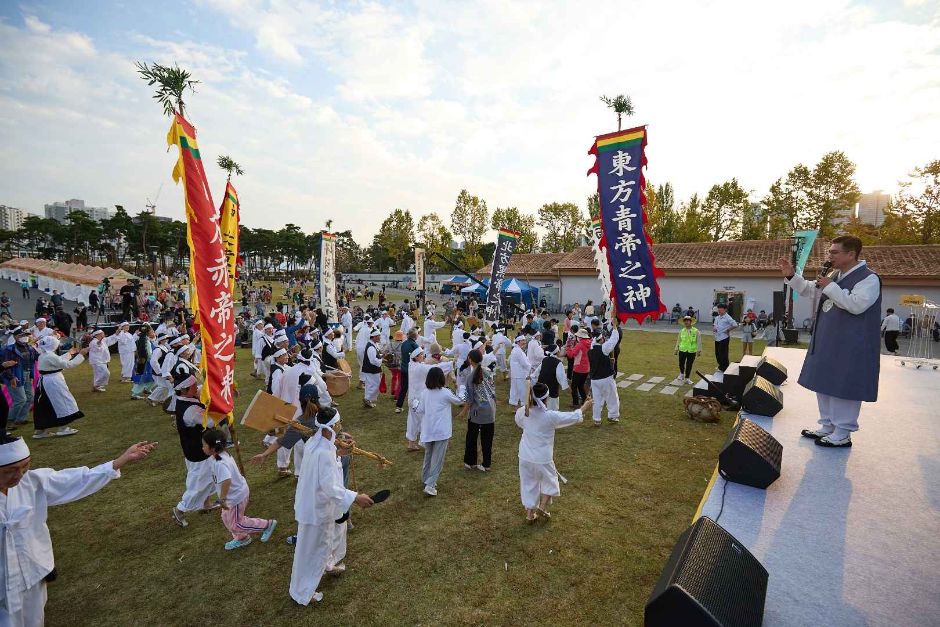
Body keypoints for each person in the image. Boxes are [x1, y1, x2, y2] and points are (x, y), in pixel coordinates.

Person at [0, 436, 156, 626]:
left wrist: (119, 461)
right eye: (9, 471)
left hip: (32, 573)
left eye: (25, 466)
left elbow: (75, 479)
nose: (19, 475)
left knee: (34, 620)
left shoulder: (32, 482)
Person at [778, 235, 882, 448]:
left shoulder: (869, 278)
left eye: (834, 252)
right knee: (825, 381)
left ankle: (843, 432)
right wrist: (791, 276)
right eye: (830, 252)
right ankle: (827, 426)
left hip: (852, 343)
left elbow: (856, 305)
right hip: (829, 338)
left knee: (844, 384)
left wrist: (829, 286)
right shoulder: (835, 275)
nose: (829, 256)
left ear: (851, 254)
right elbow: (809, 290)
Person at [289, 406, 373, 606]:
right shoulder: (322, 452)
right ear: (333, 426)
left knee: (324, 542)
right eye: (339, 422)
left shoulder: (316, 442)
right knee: (311, 551)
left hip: (314, 504)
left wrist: (341, 452)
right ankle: (303, 592)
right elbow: (330, 487)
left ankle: (327, 564)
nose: (341, 424)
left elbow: (328, 460)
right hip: (317, 509)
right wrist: (355, 497)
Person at [515, 384, 591, 521]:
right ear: (546, 398)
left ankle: (530, 514)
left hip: (525, 455)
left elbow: (520, 423)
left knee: (528, 484)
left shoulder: (522, 411)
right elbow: (572, 417)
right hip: (542, 457)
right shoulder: (549, 416)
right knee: (551, 481)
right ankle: (542, 507)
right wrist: (584, 407)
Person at [201, 428, 277, 550]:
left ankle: (266, 525)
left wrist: (222, 499)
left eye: (204, 445)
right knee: (226, 518)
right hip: (232, 495)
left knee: (236, 523)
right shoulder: (219, 455)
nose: (202, 447)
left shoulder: (220, 462)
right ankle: (242, 538)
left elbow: (227, 480)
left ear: (213, 448)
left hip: (236, 496)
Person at [171, 374, 220, 527]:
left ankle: (206, 504)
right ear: (185, 390)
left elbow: (202, 390)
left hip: (197, 448)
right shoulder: (190, 410)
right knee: (199, 483)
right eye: (193, 386)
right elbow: (210, 422)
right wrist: (224, 410)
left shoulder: (184, 399)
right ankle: (179, 510)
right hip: (197, 451)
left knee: (211, 475)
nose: (197, 387)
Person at [416, 366, 464, 496]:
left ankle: (426, 479)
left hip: (428, 430)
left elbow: (419, 409)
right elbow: (460, 400)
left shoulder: (424, 393)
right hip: (441, 431)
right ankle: (430, 485)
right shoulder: (445, 392)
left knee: (429, 456)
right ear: (441, 378)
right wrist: (463, 388)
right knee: (438, 459)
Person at [33, 336, 86, 439]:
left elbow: (58, 361)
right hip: (53, 382)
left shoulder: (44, 355)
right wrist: (81, 355)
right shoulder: (50, 356)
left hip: (46, 382)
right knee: (61, 402)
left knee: (45, 405)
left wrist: (69, 353)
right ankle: (63, 428)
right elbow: (68, 365)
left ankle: (40, 431)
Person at [460, 349, 496, 472]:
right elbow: (492, 390)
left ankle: (470, 462)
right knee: (487, 438)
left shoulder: (470, 377)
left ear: (470, 359)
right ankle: (487, 464)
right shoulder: (488, 372)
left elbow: (469, 399)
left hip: (477, 412)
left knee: (472, 436)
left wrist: (463, 412)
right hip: (490, 410)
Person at [4, 330, 38, 429]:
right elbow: (5, 365)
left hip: (27, 374)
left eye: (25, 335)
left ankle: (20, 419)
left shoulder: (30, 348)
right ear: (15, 337)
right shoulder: (9, 349)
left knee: (30, 398)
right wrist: (11, 377)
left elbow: (37, 358)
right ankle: (8, 421)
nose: (24, 337)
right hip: (15, 375)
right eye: (21, 335)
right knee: (20, 400)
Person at [587, 324, 620, 425]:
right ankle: (613, 416)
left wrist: (609, 360)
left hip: (594, 380)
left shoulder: (590, 350)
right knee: (612, 398)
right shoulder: (603, 348)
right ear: (601, 339)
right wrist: (615, 329)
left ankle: (596, 419)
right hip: (605, 378)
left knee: (597, 400)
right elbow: (614, 340)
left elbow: (597, 360)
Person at [535, 343, 568, 410]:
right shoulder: (558, 363)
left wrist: (532, 377)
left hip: (542, 386)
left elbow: (537, 371)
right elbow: (561, 377)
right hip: (552, 386)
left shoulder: (545, 359)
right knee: (553, 406)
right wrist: (566, 387)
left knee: (543, 404)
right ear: (557, 352)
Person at [88, 328, 119, 392]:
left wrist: (116, 334)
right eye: (102, 333)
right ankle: (96, 385)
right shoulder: (93, 342)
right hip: (97, 361)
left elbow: (110, 339)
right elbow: (97, 348)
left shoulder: (103, 340)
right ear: (98, 335)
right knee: (106, 373)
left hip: (102, 360)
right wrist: (99, 344)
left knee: (98, 374)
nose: (104, 334)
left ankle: (96, 387)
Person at [673, 316, 702, 385]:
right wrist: (676, 349)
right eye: (685, 321)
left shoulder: (696, 331)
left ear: (691, 322)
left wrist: (699, 350)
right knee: (681, 363)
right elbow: (678, 340)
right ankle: (682, 374)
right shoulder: (682, 331)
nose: (686, 322)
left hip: (691, 351)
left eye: (688, 320)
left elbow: (699, 341)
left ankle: (687, 378)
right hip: (682, 350)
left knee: (689, 365)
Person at [567, 328, 591, 407]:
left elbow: (571, 355)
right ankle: (584, 400)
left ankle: (575, 402)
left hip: (578, 368)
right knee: (580, 385)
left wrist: (569, 346)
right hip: (586, 368)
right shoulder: (589, 343)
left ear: (580, 337)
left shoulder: (580, 345)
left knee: (574, 386)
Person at [396, 329, 419, 414]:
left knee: (403, 388)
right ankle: (414, 405)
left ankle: (398, 406)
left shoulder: (404, 343)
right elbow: (419, 357)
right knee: (414, 388)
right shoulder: (414, 345)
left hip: (403, 368)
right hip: (412, 369)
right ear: (415, 336)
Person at [361, 328, 383, 409]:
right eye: (378, 336)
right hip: (371, 370)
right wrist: (382, 360)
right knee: (375, 385)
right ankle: (367, 399)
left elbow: (375, 356)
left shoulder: (373, 344)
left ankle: (368, 400)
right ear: (373, 337)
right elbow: (373, 361)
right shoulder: (371, 347)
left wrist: (381, 356)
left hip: (371, 370)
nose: (379, 338)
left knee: (370, 385)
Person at [508, 335, 532, 407]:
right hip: (520, 375)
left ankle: (515, 408)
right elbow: (524, 363)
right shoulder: (518, 351)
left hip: (516, 374)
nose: (524, 342)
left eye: (525, 341)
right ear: (518, 342)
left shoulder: (515, 350)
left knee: (515, 391)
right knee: (522, 392)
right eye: (523, 341)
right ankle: (523, 408)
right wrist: (530, 367)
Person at [712, 303, 737, 372]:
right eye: (718, 308)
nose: (719, 310)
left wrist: (728, 330)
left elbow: (735, 324)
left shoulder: (727, 317)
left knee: (723, 353)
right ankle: (721, 366)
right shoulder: (717, 317)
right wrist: (714, 328)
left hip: (724, 338)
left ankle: (724, 367)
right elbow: (715, 325)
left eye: (721, 308)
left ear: (725, 309)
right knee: (717, 353)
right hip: (717, 337)